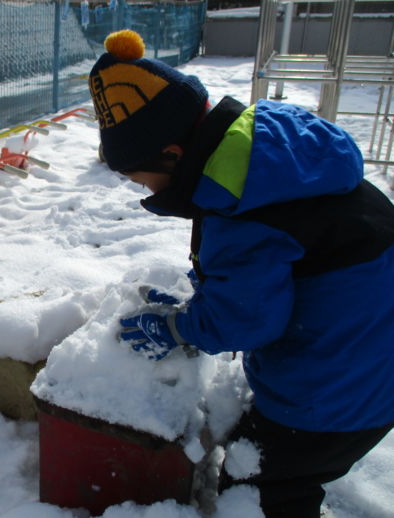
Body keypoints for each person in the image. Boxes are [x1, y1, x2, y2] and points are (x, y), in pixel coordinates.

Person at [90, 30, 394, 518]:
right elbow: (276, 271)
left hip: (336, 390)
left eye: (138, 177)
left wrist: (177, 328)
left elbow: (246, 322)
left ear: (171, 153)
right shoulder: (266, 158)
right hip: (373, 352)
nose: (141, 189)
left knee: (260, 488)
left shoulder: (241, 212)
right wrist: (204, 305)